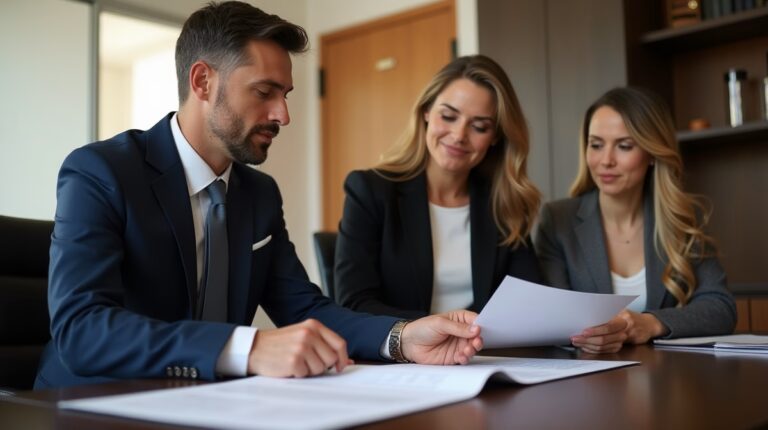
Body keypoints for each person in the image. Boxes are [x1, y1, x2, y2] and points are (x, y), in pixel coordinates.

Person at [35, 1, 483, 389]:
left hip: (211, 402)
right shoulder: (101, 171)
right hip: (89, 403)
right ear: (202, 82)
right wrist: (246, 348)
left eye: (285, 95)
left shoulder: (259, 193)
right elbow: (82, 329)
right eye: (264, 92)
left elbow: (305, 307)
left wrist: (402, 337)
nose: (283, 115)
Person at [334, 55, 542, 320]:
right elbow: (354, 303)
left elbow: (529, 303)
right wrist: (436, 329)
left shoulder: (506, 204)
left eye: (479, 126)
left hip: (483, 354)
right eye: (448, 116)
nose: (458, 135)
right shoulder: (369, 190)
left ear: (495, 137)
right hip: (400, 356)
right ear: (426, 112)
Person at [534, 87, 736, 354]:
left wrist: (651, 323)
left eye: (624, 146)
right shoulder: (557, 221)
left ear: (652, 153)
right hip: (589, 379)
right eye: (596, 145)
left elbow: (721, 307)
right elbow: (552, 318)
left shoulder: (682, 219)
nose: (606, 160)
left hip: (668, 381)